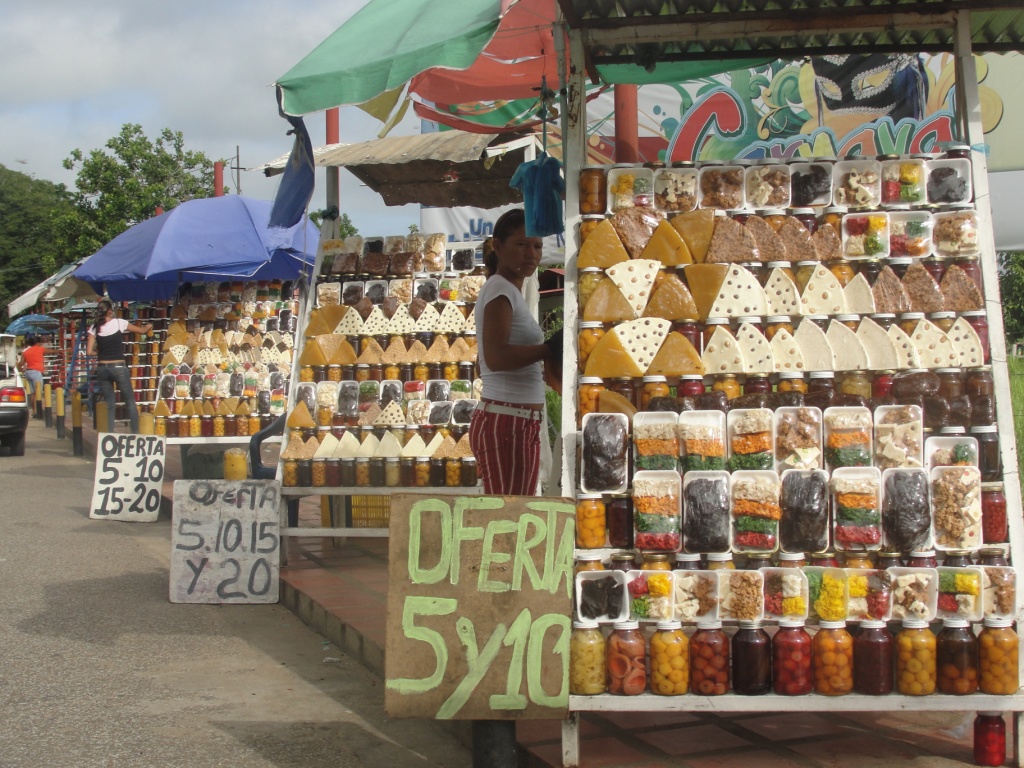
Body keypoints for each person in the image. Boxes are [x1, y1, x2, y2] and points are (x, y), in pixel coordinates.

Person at [468, 208, 560, 496]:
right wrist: (547, 348)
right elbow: (494, 360)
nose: (531, 254)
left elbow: (482, 364)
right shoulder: (500, 290)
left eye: (537, 246)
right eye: (521, 245)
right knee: (508, 518)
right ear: (497, 246)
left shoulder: (508, 291)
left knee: (514, 515)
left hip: (515, 420)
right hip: (506, 422)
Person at [85, 300, 153, 434]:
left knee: (110, 405)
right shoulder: (119, 322)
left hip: (102, 368)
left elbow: (88, 352)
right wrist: (149, 325)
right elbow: (141, 330)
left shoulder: (94, 327)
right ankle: (135, 434)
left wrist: (100, 353)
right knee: (130, 402)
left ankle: (109, 436)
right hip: (118, 367)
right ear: (110, 311)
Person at [18, 335, 46, 415]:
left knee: (33, 393)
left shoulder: (26, 351)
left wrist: (19, 369)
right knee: (38, 392)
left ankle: (34, 411)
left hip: (28, 372)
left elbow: (21, 362)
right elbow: (50, 351)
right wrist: (60, 351)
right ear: (37, 343)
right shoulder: (38, 349)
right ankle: (39, 411)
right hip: (36, 372)